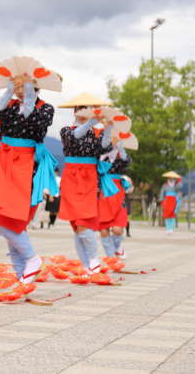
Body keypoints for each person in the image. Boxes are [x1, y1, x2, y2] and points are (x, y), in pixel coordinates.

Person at [0, 73, 57, 283]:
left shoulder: (45, 108)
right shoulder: (10, 104)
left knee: (12, 222)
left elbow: (36, 122)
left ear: (34, 86)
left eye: (24, 85)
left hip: (26, 164)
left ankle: (30, 261)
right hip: (4, 161)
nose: (20, 88)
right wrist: (9, 90)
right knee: (1, 215)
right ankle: (23, 276)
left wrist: (29, 95)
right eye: (18, 85)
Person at [57, 94, 114, 274]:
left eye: (88, 109)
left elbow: (105, 147)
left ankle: (93, 258)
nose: (85, 112)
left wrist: (108, 128)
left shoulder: (96, 132)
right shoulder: (66, 130)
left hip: (89, 177)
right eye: (82, 109)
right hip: (71, 177)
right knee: (76, 224)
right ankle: (86, 265)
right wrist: (91, 121)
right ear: (75, 111)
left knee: (84, 222)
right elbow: (74, 137)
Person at [97, 138, 131, 258]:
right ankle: (110, 256)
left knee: (117, 229)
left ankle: (118, 247)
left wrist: (120, 148)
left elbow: (127, 162)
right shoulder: (101, 153)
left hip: (117, 191)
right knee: (103, 228)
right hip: (103, 190)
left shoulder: (122, 155)